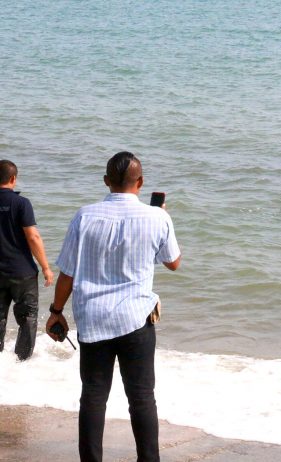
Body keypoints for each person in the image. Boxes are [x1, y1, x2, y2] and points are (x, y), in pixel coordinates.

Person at [46, 152, 181, 462]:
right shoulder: (157, 217)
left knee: (93, 397)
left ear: (106, 181)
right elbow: (173, 263)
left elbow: (67, 274)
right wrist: (162, 216)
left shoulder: (84, 216)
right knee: (142, 398)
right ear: (140, 182)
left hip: (93, 320)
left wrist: (56, 311)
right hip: (136, 319)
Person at [0, 160, 54, 360]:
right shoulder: (21, 203)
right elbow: (33, 237)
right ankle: (22, 363)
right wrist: (46, 267)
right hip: (22, 272)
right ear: (13, 178)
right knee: (27, 318)